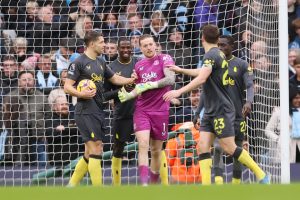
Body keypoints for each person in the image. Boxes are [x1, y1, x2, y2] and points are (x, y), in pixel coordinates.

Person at [163, 24, 269, 185]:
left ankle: (261, 174)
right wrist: (181, 70)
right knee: (203, 146)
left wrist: (179, 92)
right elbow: (203, 72)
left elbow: (202, 78)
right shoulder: (217, 54)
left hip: (221, 108)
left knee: (229, 148)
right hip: (211, 110)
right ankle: (207, 186)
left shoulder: (211, 55)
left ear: (202, 38)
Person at [64, 31, 136, 187]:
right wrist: (81, 93)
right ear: (92, 44)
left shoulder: (101, 62)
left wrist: (131, 80)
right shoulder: (78, 62)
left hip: (98, 110)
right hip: (84, 111)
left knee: (89, 152)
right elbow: (67, 87)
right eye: (102, 42)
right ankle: (99, 190)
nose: (105, 45)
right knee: (97, 147)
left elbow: (115, 79)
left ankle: (70, 186)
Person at [118, 34, 176, 186]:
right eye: (145, 46)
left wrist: (151, 84)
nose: (149, 48)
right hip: (142, 110)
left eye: (151, 44)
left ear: (155, 44)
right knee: (143, 144)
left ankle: (153, 183)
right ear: (140, 48)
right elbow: (139, 88)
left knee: (156, 150)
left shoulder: (165, 58)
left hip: (161, 111)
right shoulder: (139, 65)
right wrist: (128, 95)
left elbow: (170, 80)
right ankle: (143, 184)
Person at [103, 37, 138, 185]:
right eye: (122, 47)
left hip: (142, 111)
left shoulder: (139, 64)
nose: (125, 50)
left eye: (128, 47)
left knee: (151, 146)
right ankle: (116, 185)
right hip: (122, 113)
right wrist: (121, 90)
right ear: (117, 49)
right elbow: (104, 96)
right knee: (118, 148)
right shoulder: (110, 67)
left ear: (132, 48)